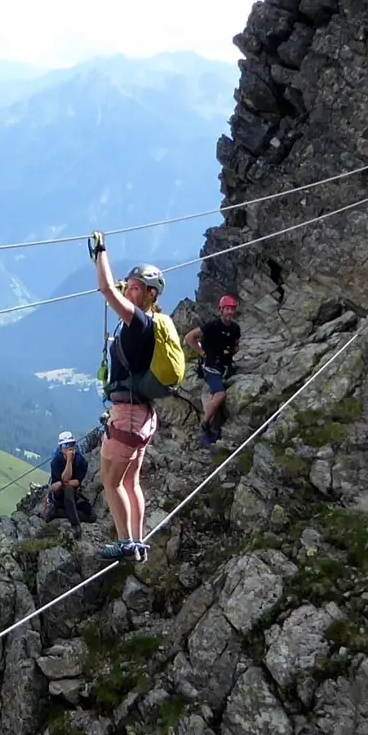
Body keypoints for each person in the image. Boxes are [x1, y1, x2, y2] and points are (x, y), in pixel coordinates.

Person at [90, 235, 182, 564]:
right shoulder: (150, 323)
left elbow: (106, 290)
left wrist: (100, 253)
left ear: (150, 294)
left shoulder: (138, 321)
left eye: (136, 288)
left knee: (110, 482)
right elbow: (113, 288)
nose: (130, 291)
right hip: (143, 415)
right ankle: (138, 542)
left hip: (127, 415)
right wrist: (119, 280)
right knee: (131, 480)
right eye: (128, 286)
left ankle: (127, 544)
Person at [184, 295, 243, 448]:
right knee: (220, 395)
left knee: (215, 396)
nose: (230, 312)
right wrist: (202, 353)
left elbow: (236, 345)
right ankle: (204, 425)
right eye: (227, 309)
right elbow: (190, 337)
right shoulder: (212, 327)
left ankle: (209, 429)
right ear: (221, 310)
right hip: (211, 367)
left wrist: (233, 351)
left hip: (226, 366)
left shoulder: (235, 328)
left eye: (232, 309)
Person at [40, 431, 90, 532]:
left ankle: (58, 513)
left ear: (75, 445)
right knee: (68, 488)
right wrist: (69, 461)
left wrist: (62, 483)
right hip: (58, 496)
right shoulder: (56, 461)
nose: (69, 448)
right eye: (65, 445)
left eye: (71, 444)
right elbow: (64, 480)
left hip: (73, 495)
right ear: (61, 448)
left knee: (92, 516)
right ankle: (75, 524)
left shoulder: (81, 461)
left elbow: (77, 482)